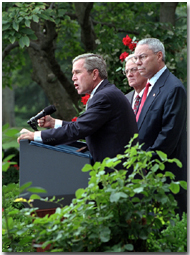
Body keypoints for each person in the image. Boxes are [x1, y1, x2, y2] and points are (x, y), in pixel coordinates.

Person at [17, 53, 138, 174]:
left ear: (94, 74)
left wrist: (35, 136)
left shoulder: (104, 97)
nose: (73, 78)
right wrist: (54, 123)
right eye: (73, 73)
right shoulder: (103, 93)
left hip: (119, 176)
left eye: (77, 72)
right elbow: (86, 127)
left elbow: (78, 129)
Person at [133, 38, 187, 218]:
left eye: (142, 57)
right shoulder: (149, 87)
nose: (137, 62)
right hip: (146, 176)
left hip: (163, 175)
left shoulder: (173, 88)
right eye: (135, 58)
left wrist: (145, 164)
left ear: (159, 56)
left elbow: (168, 134)